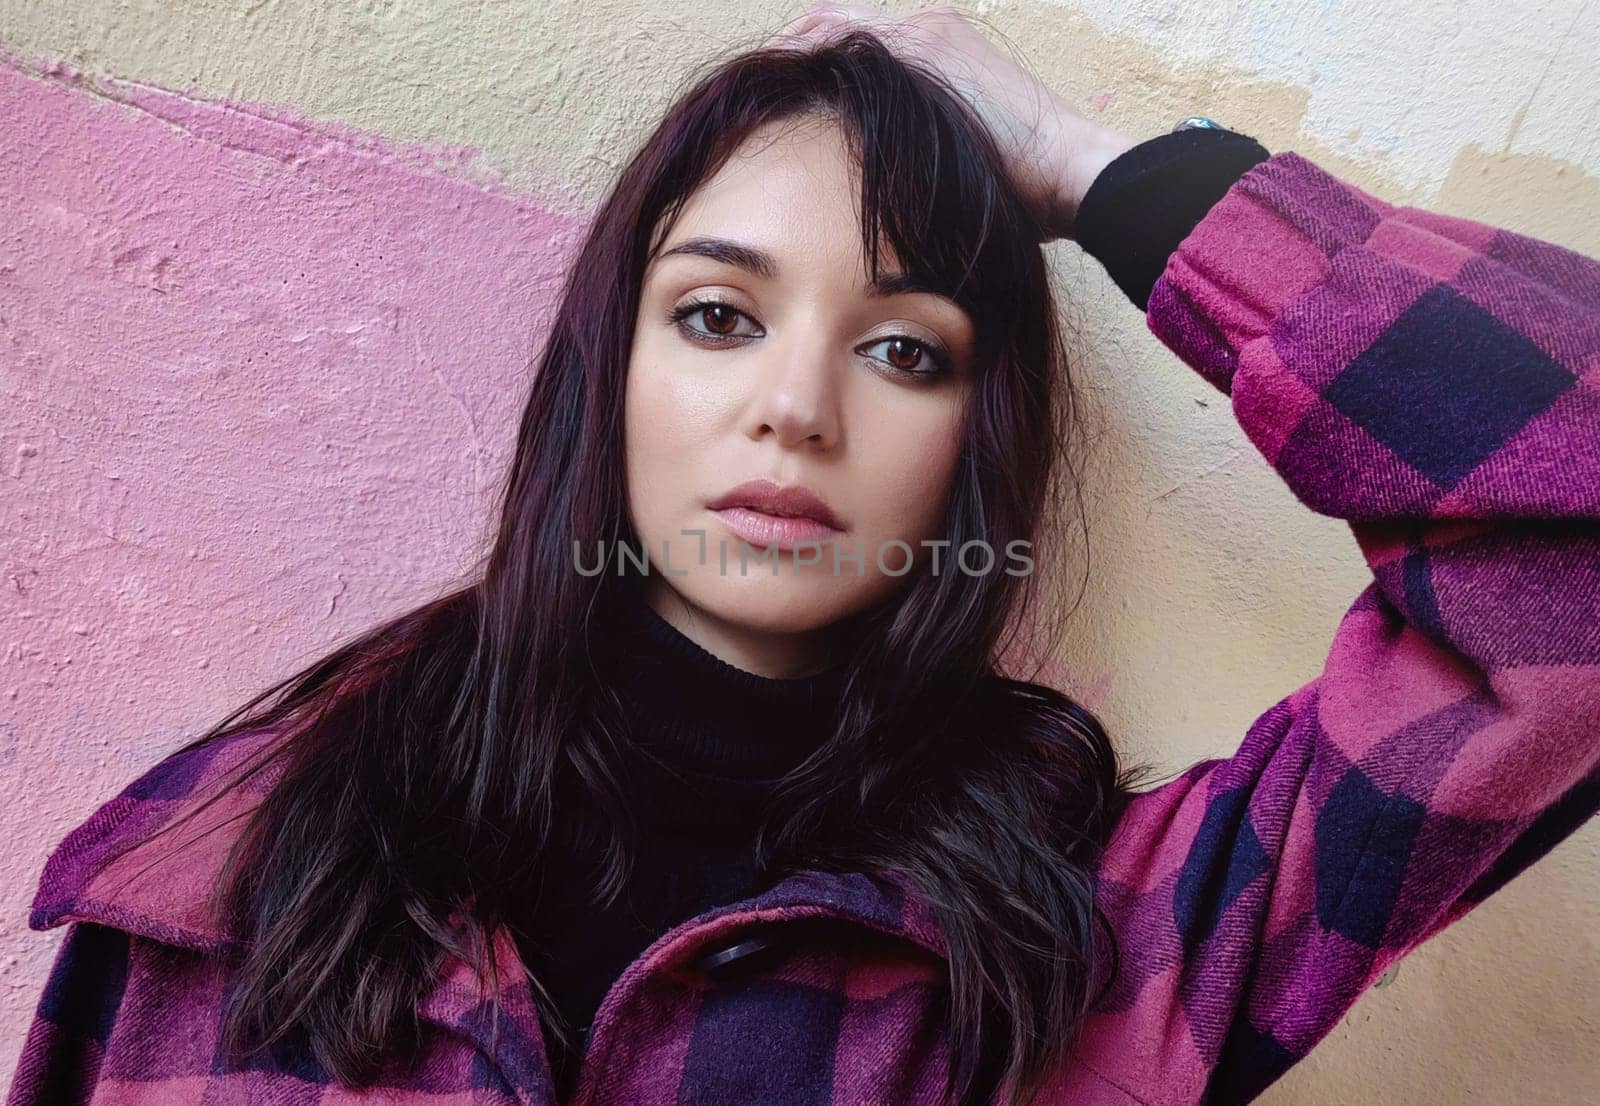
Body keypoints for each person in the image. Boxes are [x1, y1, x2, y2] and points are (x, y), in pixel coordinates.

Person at [9, 6, 1598, 1106]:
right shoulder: (224, 877)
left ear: (976, 441)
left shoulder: (1126, 933)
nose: (795, 407)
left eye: (904, 349)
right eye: (717, 315)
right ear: (609, 376)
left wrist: (1095, 167)